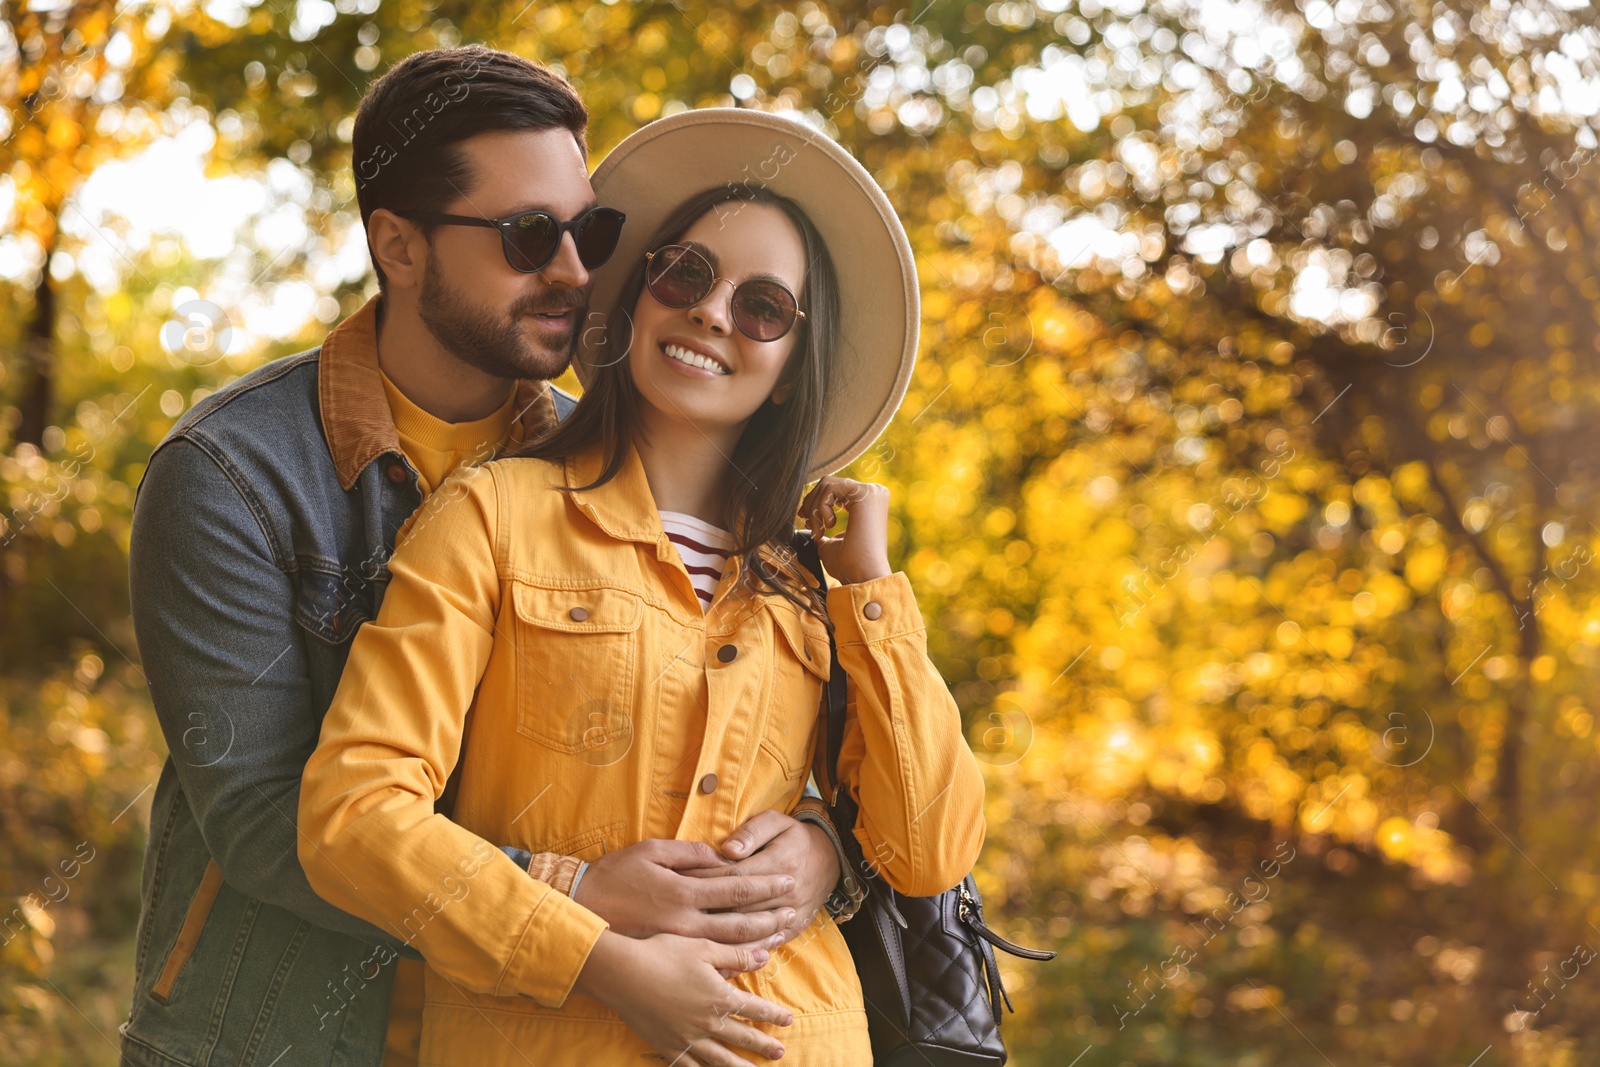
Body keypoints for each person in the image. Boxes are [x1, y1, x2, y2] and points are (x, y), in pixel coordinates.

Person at [120, 50, 845, 1067]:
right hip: (278, 1028)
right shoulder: (229, 474)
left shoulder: (604, 472)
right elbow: (261, 822)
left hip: (523, 1036)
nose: (574, 272)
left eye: (589, 233)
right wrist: (577, 902)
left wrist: (818, 845)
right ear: (399, 247)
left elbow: (730, 726)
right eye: (526, 236)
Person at [297, 107, 987, 1066]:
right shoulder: (493, 515)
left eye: (763, 307)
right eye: (687, 274)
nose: (712, 312)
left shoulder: (818, 588)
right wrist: (585, 932)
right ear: (637, 297)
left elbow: (932, 848)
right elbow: (354, 817)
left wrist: (869, 587)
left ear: (790, 366)